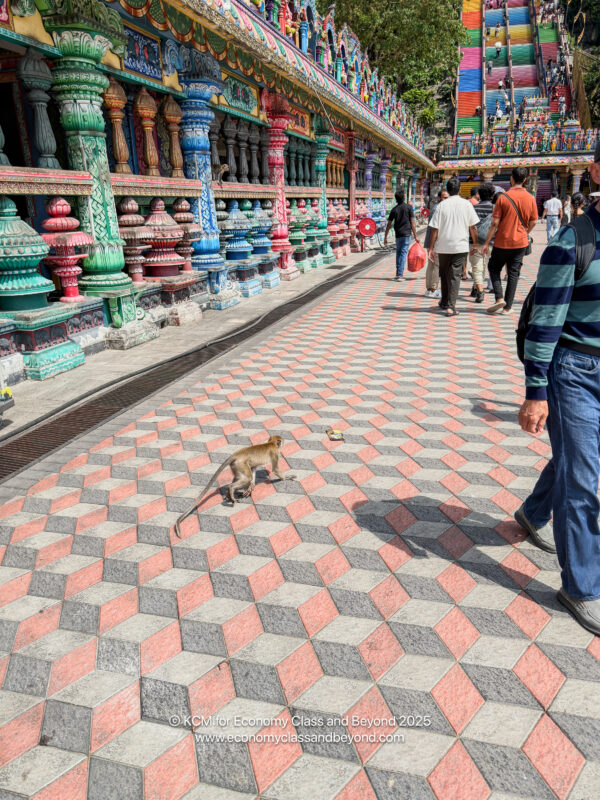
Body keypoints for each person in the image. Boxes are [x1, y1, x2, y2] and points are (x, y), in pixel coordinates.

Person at [516, 142, 600, 634]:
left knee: (576, 459)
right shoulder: (572, 241)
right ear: (596, 171)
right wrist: (535, 391)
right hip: (575, 372)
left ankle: (533, 512)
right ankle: (581, 585)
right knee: (583, 480)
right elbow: (545, 322)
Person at [481, 166, 538, 313]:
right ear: (525, 180)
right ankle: (507, 308)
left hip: (502, 241)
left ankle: (499, 298)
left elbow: (494, 223)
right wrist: (525, 232)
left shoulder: (503, 197)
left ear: (511, 178)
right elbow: (534, 221)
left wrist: (486, 243)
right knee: (513, 273)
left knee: (494, 268)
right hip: (520, 242)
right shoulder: (530, 198)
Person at [427, 177, 479, 317]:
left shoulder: (441, 206)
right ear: (460, 189)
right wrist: (475, 244)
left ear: (448, 190)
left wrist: (430, 248)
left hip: (443, 246)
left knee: (444, 274)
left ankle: (445, 302)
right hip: (460, 246)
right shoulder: (467, 205)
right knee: (455, 276)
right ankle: (451, 306)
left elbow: (434, 229)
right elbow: (473, 227)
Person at [384, 190, 420, 281]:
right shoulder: (409, 208)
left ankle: (398, 273)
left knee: (399, 253)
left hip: (398, 235)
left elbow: (389, 224)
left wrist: (385, 237)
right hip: (406, 234)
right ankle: (400, 274)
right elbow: (412, 222)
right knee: (403, 253)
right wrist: (416, 236)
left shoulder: (394, 209)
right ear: (404, 197)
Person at [469, 182, 496, 302]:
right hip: (491, 242)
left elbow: (472, 226)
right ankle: (475, 288)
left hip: (475, 242)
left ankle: (480, 292)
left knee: (477, 267)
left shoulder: (473, 208)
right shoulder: (496, 209)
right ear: (492, 195)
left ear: (479, 195)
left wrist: (475, 243)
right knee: (483, 266)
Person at [424, 190, 449, 297]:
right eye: (444, 198)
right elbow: (435, 228)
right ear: (439, 198)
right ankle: (433, 289)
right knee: (436, 265)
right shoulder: (439, 209)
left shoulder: (436, 208)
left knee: (431, 265)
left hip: (432, 241)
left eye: (448, 198)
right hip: (435, 241)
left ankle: (429, 289)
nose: (446, 200)